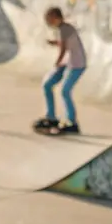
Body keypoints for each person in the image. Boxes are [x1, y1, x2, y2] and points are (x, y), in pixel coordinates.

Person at [36, 7, 86, 135]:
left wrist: (57, 62)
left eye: (49, 19)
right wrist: (55, 43)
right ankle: (51, 117)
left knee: (65, 91)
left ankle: (72, 122)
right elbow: (65, 43)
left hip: (76, 65)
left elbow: (64, 48)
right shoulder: (63, 29)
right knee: (47, 85)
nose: (48, 22)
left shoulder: (65, 29)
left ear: (57, 18)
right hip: (67, 63)